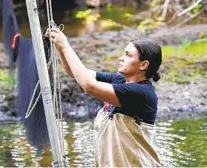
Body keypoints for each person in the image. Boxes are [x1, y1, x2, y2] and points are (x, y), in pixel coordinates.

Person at [46, 27, 162, 167]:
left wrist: (65, 45)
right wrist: (59, 46)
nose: (121, 58)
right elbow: (75, 73)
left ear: (144, 65)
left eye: (128, 55)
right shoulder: (119, 80)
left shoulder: (141, 93)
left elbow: (89, 86)